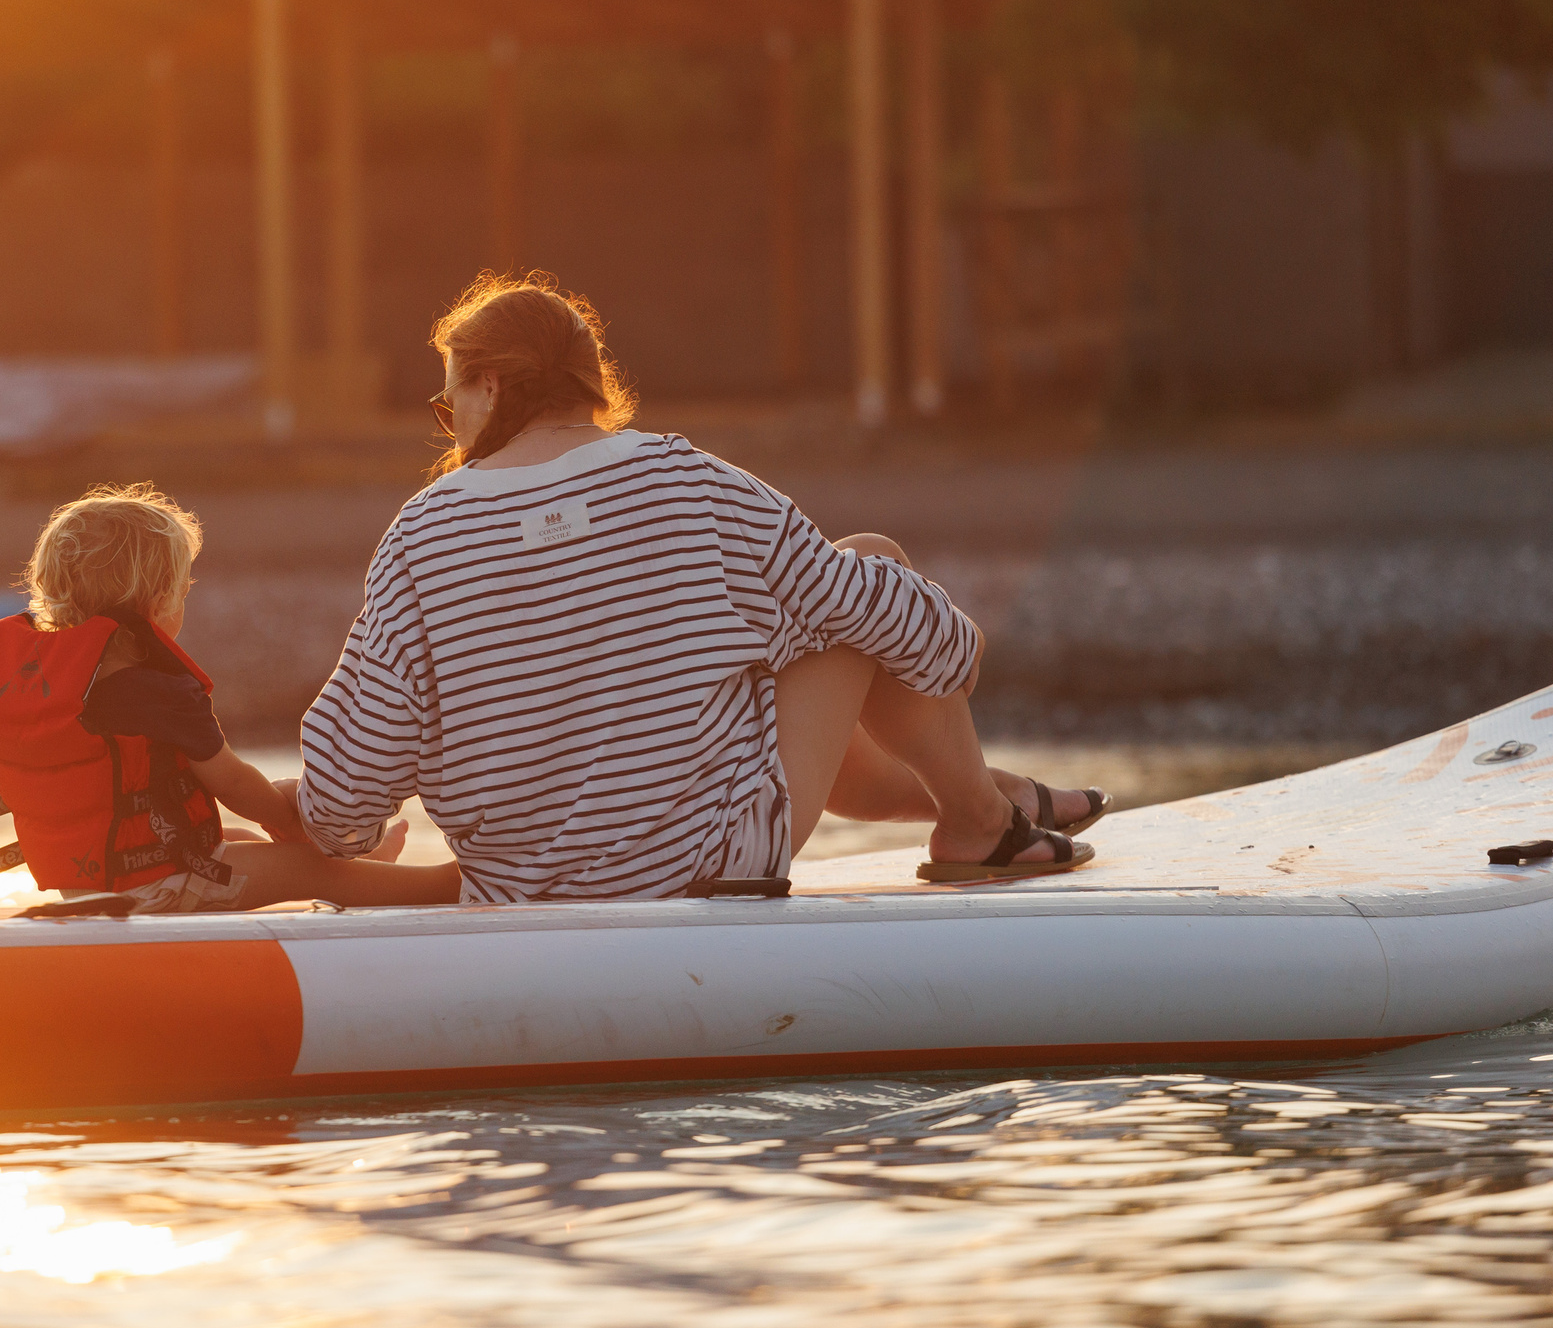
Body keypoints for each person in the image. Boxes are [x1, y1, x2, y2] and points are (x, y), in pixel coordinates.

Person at [290, 272, 1109, 903]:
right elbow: (859, 604)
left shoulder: (420, 536)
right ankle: (980, 817)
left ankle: (988, 803)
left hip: (523, 897)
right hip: (711, 870)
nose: (452, 430)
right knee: (866, 566)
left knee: (799, 626)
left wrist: (330, 827)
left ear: (492, 386)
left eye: (449, 406)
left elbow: (342, 796)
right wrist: (957, 647)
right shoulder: (684, 478)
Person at [0, 485, 459, 915]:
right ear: (157, 603)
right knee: (304, 867)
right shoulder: (159, 689)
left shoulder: (65, 688)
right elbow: (233, 782)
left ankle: (365, 874)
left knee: (236, 843)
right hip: (155, 887)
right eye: (182, 591)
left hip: (88, 883)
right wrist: (294, 823)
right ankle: (435, 885)